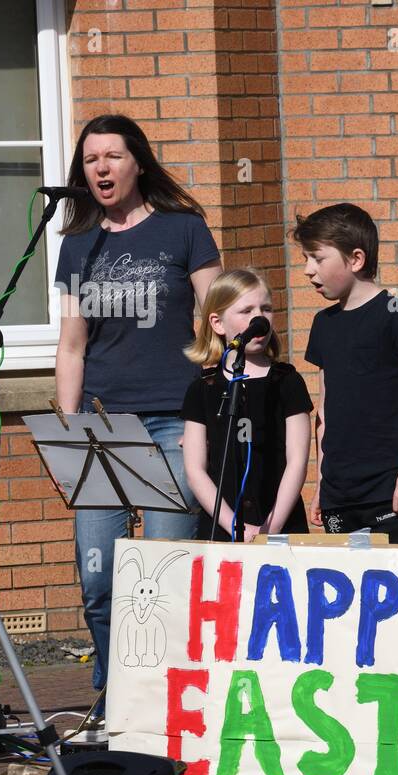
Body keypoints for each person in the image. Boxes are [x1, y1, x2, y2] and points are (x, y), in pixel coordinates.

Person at [54, 114, 222, 723]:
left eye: (113, 156)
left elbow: (216, 311)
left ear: (138, 164)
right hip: (101, 427)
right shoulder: (78, 245)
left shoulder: (183, 231)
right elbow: (72, 346)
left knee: (164, 574)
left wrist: (223, 380)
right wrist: (68, 430)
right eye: (91, 158)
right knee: (100, 580)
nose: (100, 167)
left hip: (176, 424)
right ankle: (115, 698)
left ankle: (172, 704)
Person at [298, 203, 398, 543]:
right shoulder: (323, 324)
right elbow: (325, 410)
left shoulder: (396, 313)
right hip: (339, 492)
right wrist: (321, 482)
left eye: (318, 259)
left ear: (356, 259)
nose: (308, 270)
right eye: (306, 259)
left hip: (389, 488)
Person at [180, 269, 312, 542]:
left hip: (279, 526)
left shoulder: (287, 382)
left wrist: (269, 530)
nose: (259, 318)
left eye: (266, 308)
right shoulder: (202, 389)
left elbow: (297, 461)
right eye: (246, 310)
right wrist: (234, 524)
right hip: (223, 528)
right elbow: (195, 469)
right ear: (217, 323)